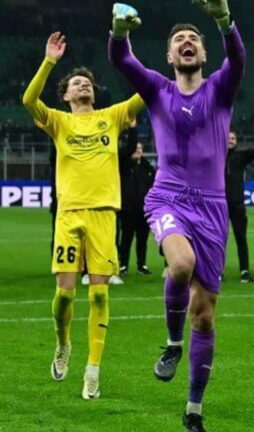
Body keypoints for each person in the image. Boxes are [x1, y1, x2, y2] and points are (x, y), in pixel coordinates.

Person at [108, 0, 244, 432]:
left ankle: (194, 409)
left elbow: (238, 59)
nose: (187, 42)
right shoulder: (157, 89)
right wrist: (118, 32)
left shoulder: (220, 89)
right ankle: (171, 342)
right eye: (179, 41)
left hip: (213, 209)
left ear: (203, 53)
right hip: (168, 196)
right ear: (169, 56)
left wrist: (224, 20)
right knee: (180, 265)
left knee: (204, 313)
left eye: (193, 39)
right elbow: (122, 59)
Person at [24, 31, 145, 399]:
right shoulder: (59, 121)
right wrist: (49, 61)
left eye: (87, 82)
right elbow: (28, 100)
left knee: (99, 296)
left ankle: (93, 369)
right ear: (66, 95)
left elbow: (147, 90)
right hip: (69, 214)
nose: (84, 85)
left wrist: (128, 55)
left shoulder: (112, 116)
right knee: (64, 295)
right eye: (76, 83)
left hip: (104, 215)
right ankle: (63, 343)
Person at [225, 128, 254, 283]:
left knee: (241, 237)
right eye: (228, 138)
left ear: (236, 141)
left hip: (237, 203)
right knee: (219, 240)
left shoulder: (240, 156)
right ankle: (216, 271)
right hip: (219, 204)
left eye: (233, 138)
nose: (230, 140)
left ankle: (244, 271)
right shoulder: (215, 156)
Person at [118, 124, 156, 276]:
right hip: (127, 209)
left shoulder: (148, 168)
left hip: (144, 210)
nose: (138, 151)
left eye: (140, 149)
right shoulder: (123, 166)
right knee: (126, 239)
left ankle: (142, 265)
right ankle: (123, 265)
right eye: (136, 148)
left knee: (142, 239)